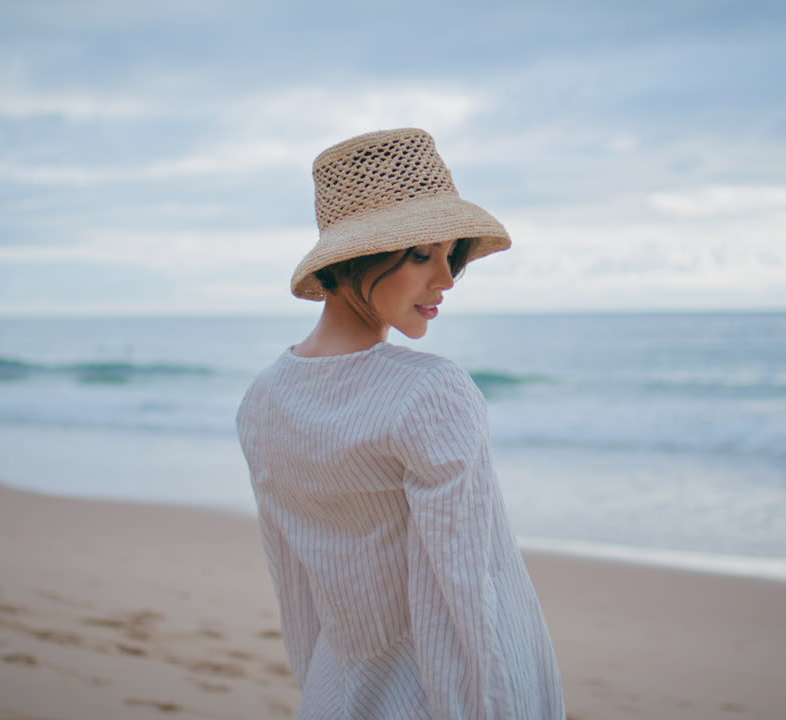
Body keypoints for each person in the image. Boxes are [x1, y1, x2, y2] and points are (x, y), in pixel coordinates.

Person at [236, 128, 565, 719]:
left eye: (450, 253)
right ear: (353, 259)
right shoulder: (429, 391)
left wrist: (322, 692)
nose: (446, 279)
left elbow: (295, 590)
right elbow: (467, 594)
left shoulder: (261, 401)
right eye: (420, 255)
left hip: (335, 694)